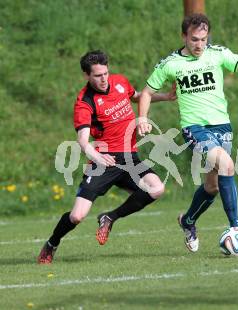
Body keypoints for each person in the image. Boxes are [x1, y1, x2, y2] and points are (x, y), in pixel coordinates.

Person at [138, 13, 238, 252]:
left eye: (203, 39)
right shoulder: (170, 64)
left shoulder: (218, 54)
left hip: (222, 127)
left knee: (212, 186)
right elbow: (145, 93)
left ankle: (188, 221)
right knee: (227, 165)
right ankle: (235, 227)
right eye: (195, 39)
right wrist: (142, 118)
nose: (199, 45)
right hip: (194, 128)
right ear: (184, 36)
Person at [37, 50, 175, 264]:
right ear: (86, 75)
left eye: (105, 73)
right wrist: (98, 158)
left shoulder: (120, 82)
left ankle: (109, 217)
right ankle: (52, 243)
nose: (104, 79)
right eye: (97, 76)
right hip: (103, 162)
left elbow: (137, 96)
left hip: (129, 159)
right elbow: (83, 141)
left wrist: (165, 97)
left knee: (156, 188)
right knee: (77, 216)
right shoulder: (84, 102)